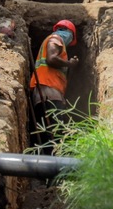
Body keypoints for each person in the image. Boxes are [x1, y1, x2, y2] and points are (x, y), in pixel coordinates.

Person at [29, 20, 80, 152]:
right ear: (69, 32)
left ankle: (48, 163)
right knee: (56, 132)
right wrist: (70, 64)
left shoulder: (51, 40)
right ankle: (56, 164)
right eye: (71, 38)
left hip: (44, 90)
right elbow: (51, 59)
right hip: (48, 90)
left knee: (47, 134)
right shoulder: (56, 39)